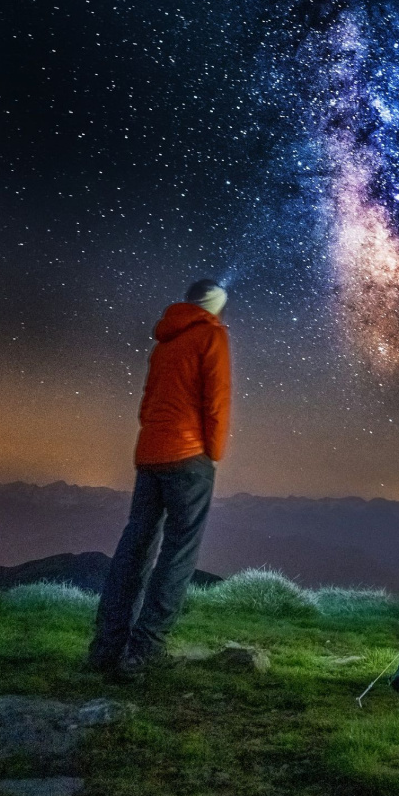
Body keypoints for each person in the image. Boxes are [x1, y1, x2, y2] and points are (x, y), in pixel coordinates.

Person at [89, 279, 231, 676]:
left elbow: (147, 404)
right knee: (178, 553)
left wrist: (156, 438)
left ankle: (105, 648)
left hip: (150, 453)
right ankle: (145, 651)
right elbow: (216, 401)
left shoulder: (164, 342)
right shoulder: (211, 336)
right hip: (188, 456)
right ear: (215, 305)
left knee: (135, 546)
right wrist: (213, 454)